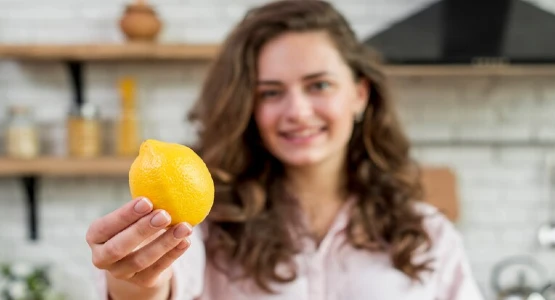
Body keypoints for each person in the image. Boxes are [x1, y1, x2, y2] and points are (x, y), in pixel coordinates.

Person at [87, 1, 484, 299]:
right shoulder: (208, 223)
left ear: (359, 94)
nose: (297, 112)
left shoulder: (427, 233)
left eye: (319, 85)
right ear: (248, 107)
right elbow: (162, 286)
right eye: (271, 92)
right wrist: (134, 280)